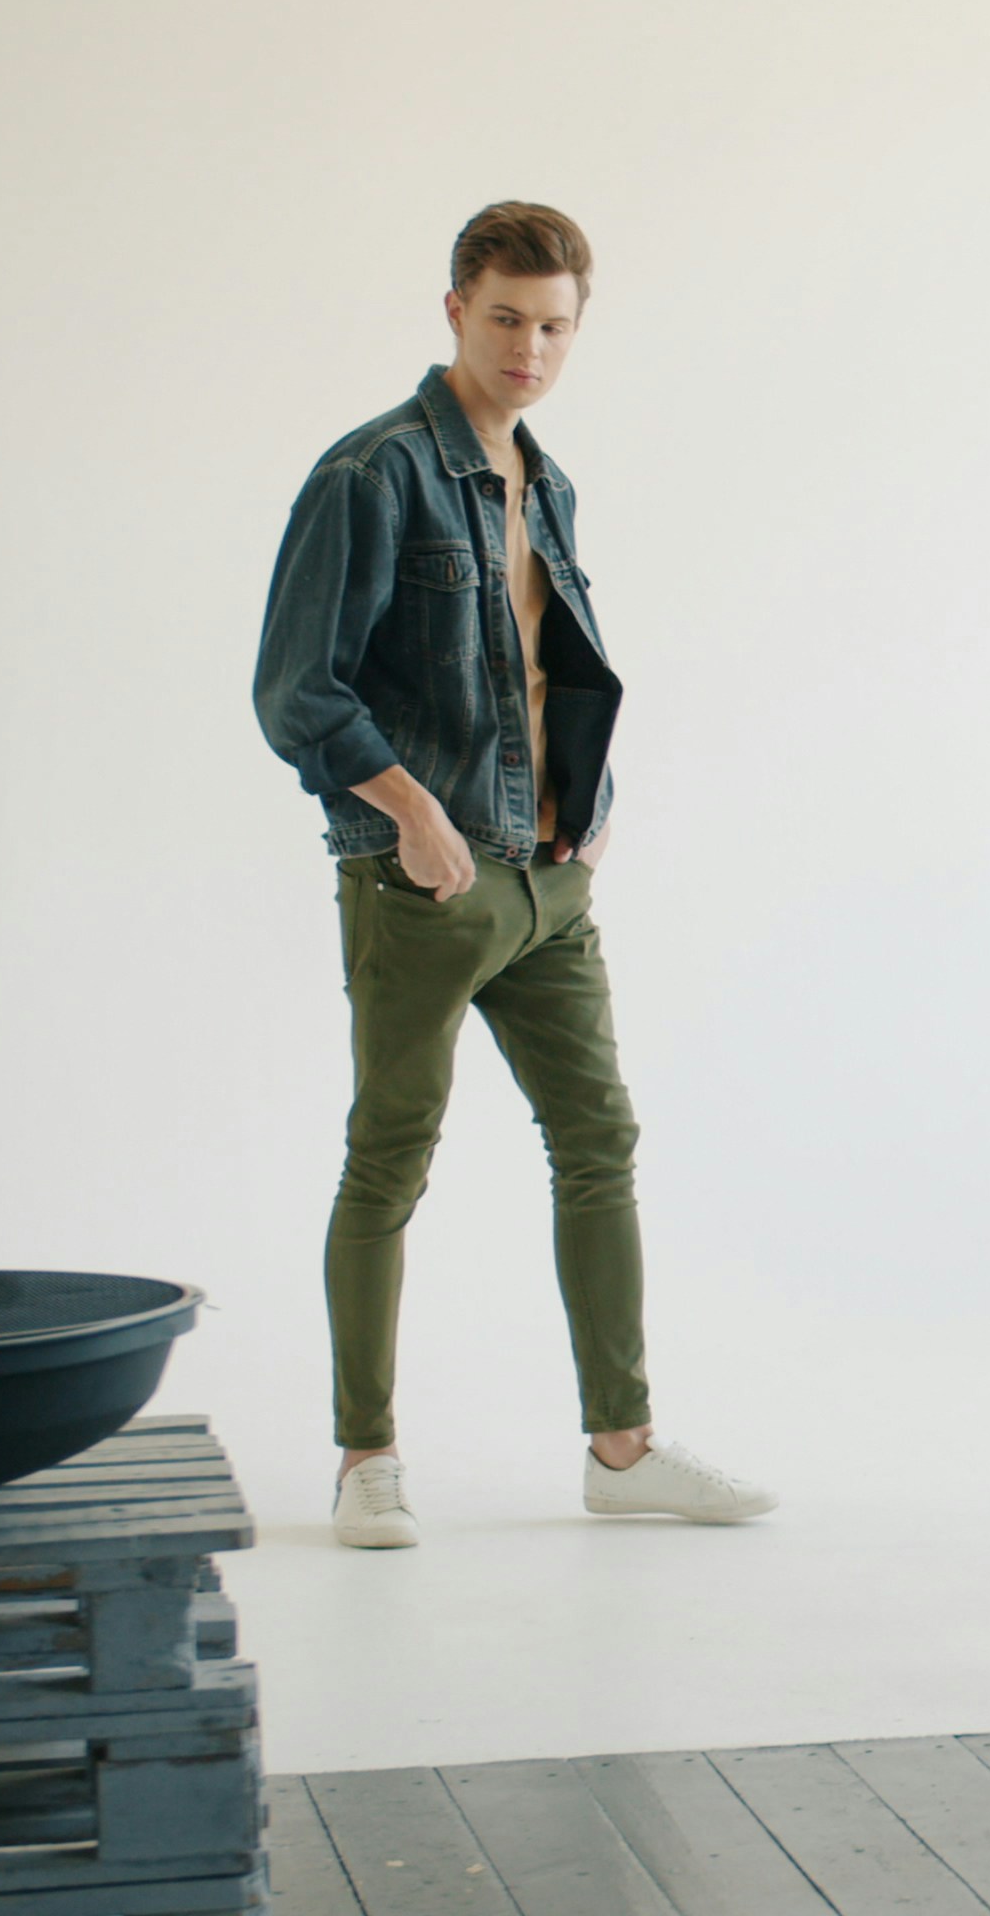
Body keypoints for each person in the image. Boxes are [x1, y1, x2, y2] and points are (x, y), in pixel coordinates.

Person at [253, 202, 773, 1549]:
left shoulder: (548, 482)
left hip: (548, 882)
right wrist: (414, 817)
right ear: (452, 312)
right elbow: (295, 694)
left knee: (599, 1143)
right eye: (504, 319)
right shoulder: (371, 475)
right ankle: (366, 1461)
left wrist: (591, 811)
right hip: (424, 881)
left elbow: (556, 663)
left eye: (553, 326)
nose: (529, 349)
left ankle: (623, 1448)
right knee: (390, 1163)